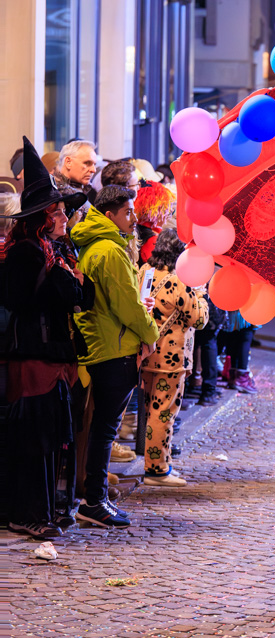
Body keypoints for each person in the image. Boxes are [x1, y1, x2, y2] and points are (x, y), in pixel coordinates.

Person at [2, 137, 93, 539]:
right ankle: (29, 513)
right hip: (32, 358)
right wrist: (63, 278)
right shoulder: (25, 252)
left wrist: (66, 275)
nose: (64, 218)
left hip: (54, 356)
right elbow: (25, 299)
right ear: (41, 217)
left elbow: (82, 298)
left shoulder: (51, 250)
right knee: (33, 442)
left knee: (54, 439)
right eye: (57, 212)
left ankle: (48, 509)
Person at [71, 185, 159, 527]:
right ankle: (94, 501)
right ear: (110, 215)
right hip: (113, 348)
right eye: (128, 213)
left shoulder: (100, 244)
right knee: (105, 429)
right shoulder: (109, 249)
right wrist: (150, 332)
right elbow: (126, 305)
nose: (134, 218)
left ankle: (95, 498)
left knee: (102, 427)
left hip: (106, 344)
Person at [139, 228, 207, 485]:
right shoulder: (181, 279)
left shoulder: (145, 270)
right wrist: (201, 294)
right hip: (172, 359)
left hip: (147, 353)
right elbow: (198, 319)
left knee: (151, 411)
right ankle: (156, 469)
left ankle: (157, 464)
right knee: (163, 413)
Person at [134, 180, 174, 265]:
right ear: (156, 210)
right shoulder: (152, 239)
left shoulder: (135, 228)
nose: (170, 211)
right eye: (166, 208)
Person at [218, 310, 258, 394]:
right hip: (246, 308)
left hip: (232, 307)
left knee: (234, 337)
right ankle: (241, 378)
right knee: (245, 337)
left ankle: (233, 376)